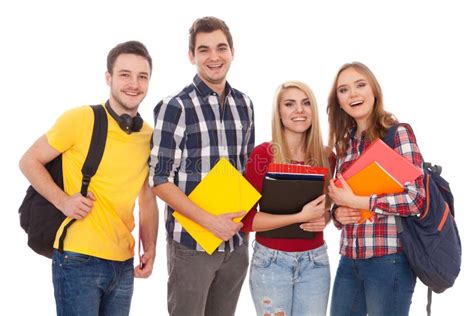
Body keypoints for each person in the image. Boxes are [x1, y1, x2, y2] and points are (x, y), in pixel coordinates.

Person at [19, 40, 158, 316]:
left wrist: (150, 247)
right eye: (125, 75)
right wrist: (63, 201)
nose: (134, 84)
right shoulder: (80, 120)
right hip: (78, 258)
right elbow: (28, 161)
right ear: (108, 78)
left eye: (142, 76)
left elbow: (148, 199)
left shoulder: (149, 137)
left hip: (123, 262)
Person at [149, 16, 254, 316]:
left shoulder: (244, 104)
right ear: (191, 56)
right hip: (191, 246)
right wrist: (210, 221)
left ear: (232, 51)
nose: (214, 57)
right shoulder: (176, 107)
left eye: (221, 48)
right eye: (204, 49)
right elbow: (158, 179)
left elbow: (245, 171)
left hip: (235, 245)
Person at [326, 61, 426, 316]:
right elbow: (342, 197)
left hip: (388, 261)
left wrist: (362, 202)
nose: (353, 94)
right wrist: (338, 213)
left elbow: (416, 200)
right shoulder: (344, 145)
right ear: (338, 101)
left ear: (374, 91)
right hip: (349, 260)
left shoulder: (397, 135)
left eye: (360, 85)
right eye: (344, 90)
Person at [241, 81, 332, 316]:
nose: (299, 110)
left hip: (315, 263)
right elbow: (246, 220)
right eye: (289, 104)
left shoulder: (326, 156)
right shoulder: (263, 155)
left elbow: (329, 209)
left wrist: (326, 217)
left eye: (306, 103)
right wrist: (299, 217)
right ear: (279, 113)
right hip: (271, 263)